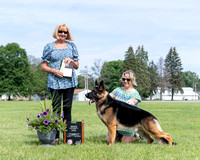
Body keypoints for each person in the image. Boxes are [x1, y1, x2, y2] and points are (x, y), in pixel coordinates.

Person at [41, 24, 79, 144]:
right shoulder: (49, 47)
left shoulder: (72, 46)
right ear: (56, 32)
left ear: (68, 34)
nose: (63, 34)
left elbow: (77, 66)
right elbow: (43, 66)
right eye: (61, 32)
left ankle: (68, 137)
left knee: (67, 110)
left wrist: (72, 60)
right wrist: (54, 71)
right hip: (54, 82)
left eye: (65, 32)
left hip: (69, 82)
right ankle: (56, 137)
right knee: (56, 110)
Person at [107, 70, 141, 143]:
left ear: (132, 80)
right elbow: (107, 97)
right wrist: (96, 96)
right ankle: (118, 134)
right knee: (108, 140)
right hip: (116, 124)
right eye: (123, 79)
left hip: (128, 124)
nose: (125, 81)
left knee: (124, 142)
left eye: (128, 79)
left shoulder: (135, 93)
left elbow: (131, 103)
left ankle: (136, 134)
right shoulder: (117, 90)